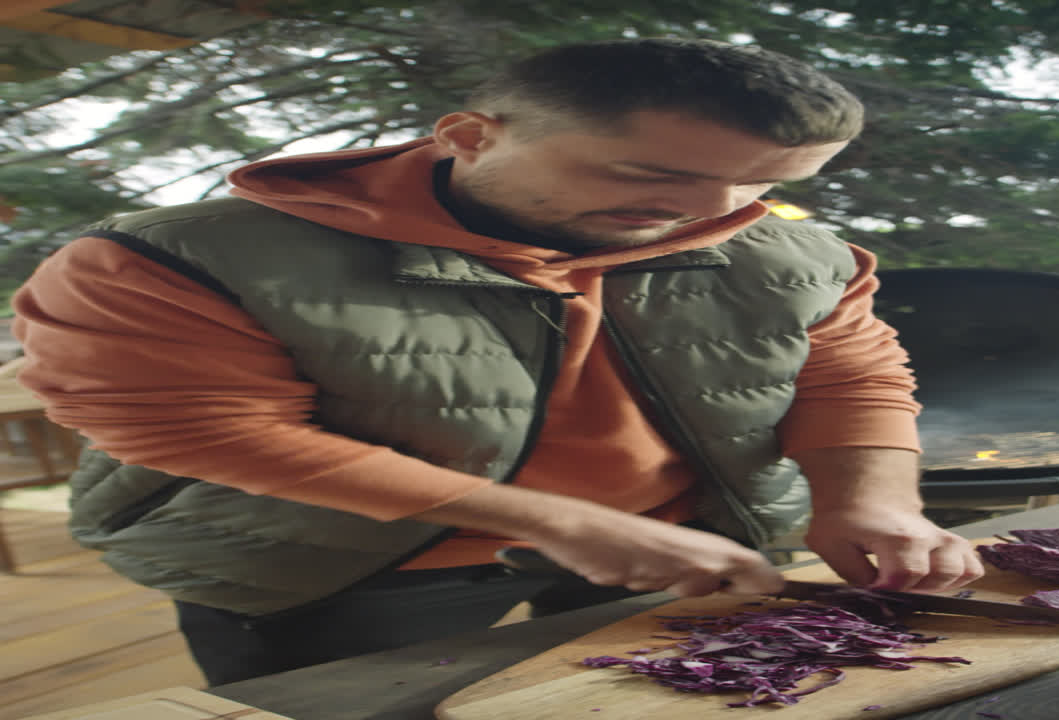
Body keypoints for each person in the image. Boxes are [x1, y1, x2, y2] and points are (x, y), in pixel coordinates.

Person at [11, 38, 983, 685]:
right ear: (471, 138)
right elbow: (199, 432)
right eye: (652, 175)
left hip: (683, 548)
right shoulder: (165, 256)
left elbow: (851, 381)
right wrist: (559, 521)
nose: (712, 211)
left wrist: (869, 501)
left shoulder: (787, 251)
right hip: (325, 571)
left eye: (763, 186)